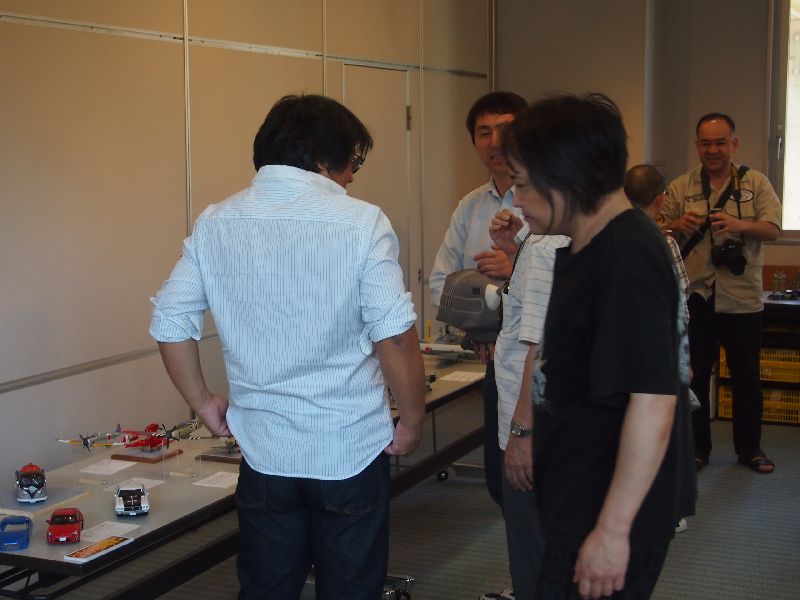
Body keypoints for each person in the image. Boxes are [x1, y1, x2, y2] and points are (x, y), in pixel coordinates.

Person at [149, 94, 426, 600]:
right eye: (353, 161)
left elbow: (169, 321)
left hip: (264, 450)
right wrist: (411, 418)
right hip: (348, 448)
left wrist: (202, 403)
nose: (352, 176)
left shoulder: (216, 221)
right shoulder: (362, 223)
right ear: (322, 158)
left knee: (267, 589)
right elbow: (394, 335)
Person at [503, 93, 694, 599]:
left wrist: (612, 531)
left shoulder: (627, 256)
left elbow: (653, 400)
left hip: (607, 512)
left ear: (566, 177)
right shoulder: (589, 244)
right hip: (581, 498)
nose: (516, 200)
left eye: (522, 183)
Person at [428, 90, 526, 600]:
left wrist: (516, 266)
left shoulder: (546, 199)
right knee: (501, 475)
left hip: (542, 366)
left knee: (539, 476)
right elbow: (439, 283)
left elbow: (565, 283)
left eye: (505, 129)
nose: (495, 141)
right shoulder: (470, 206)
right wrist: (475, 326)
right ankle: (525, 577)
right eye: (484, 132)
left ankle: (540, 580)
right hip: (493, 363)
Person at [659, 113, 782, 475]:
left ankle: (750, 449)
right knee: (695, 376)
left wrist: (738, 225)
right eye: (706, 143)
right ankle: (698, 449)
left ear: (734, 144)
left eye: (720, 143)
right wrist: (676, 224)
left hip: (742, 297)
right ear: (697, 146)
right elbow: (655, 230)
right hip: (697, 296)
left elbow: (773, 229)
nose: (713, 150)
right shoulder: (681, 186)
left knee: (746, 377)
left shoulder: (755, 182)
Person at [490, 207, 569, 598]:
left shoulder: (543, 248)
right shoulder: (574, 235)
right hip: (565, 420)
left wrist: (522, 433)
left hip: (535, 426)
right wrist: (519, 244)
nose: (516, 198)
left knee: (533, 557)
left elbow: (538, 348)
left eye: (523, 183)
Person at [625, 164, 697, 534]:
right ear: (662, 199)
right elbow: (680, 305)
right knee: (666, 433)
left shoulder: (612, 236)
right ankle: (668, 510)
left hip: (624, 353)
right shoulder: (663, 241)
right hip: (661, 352)